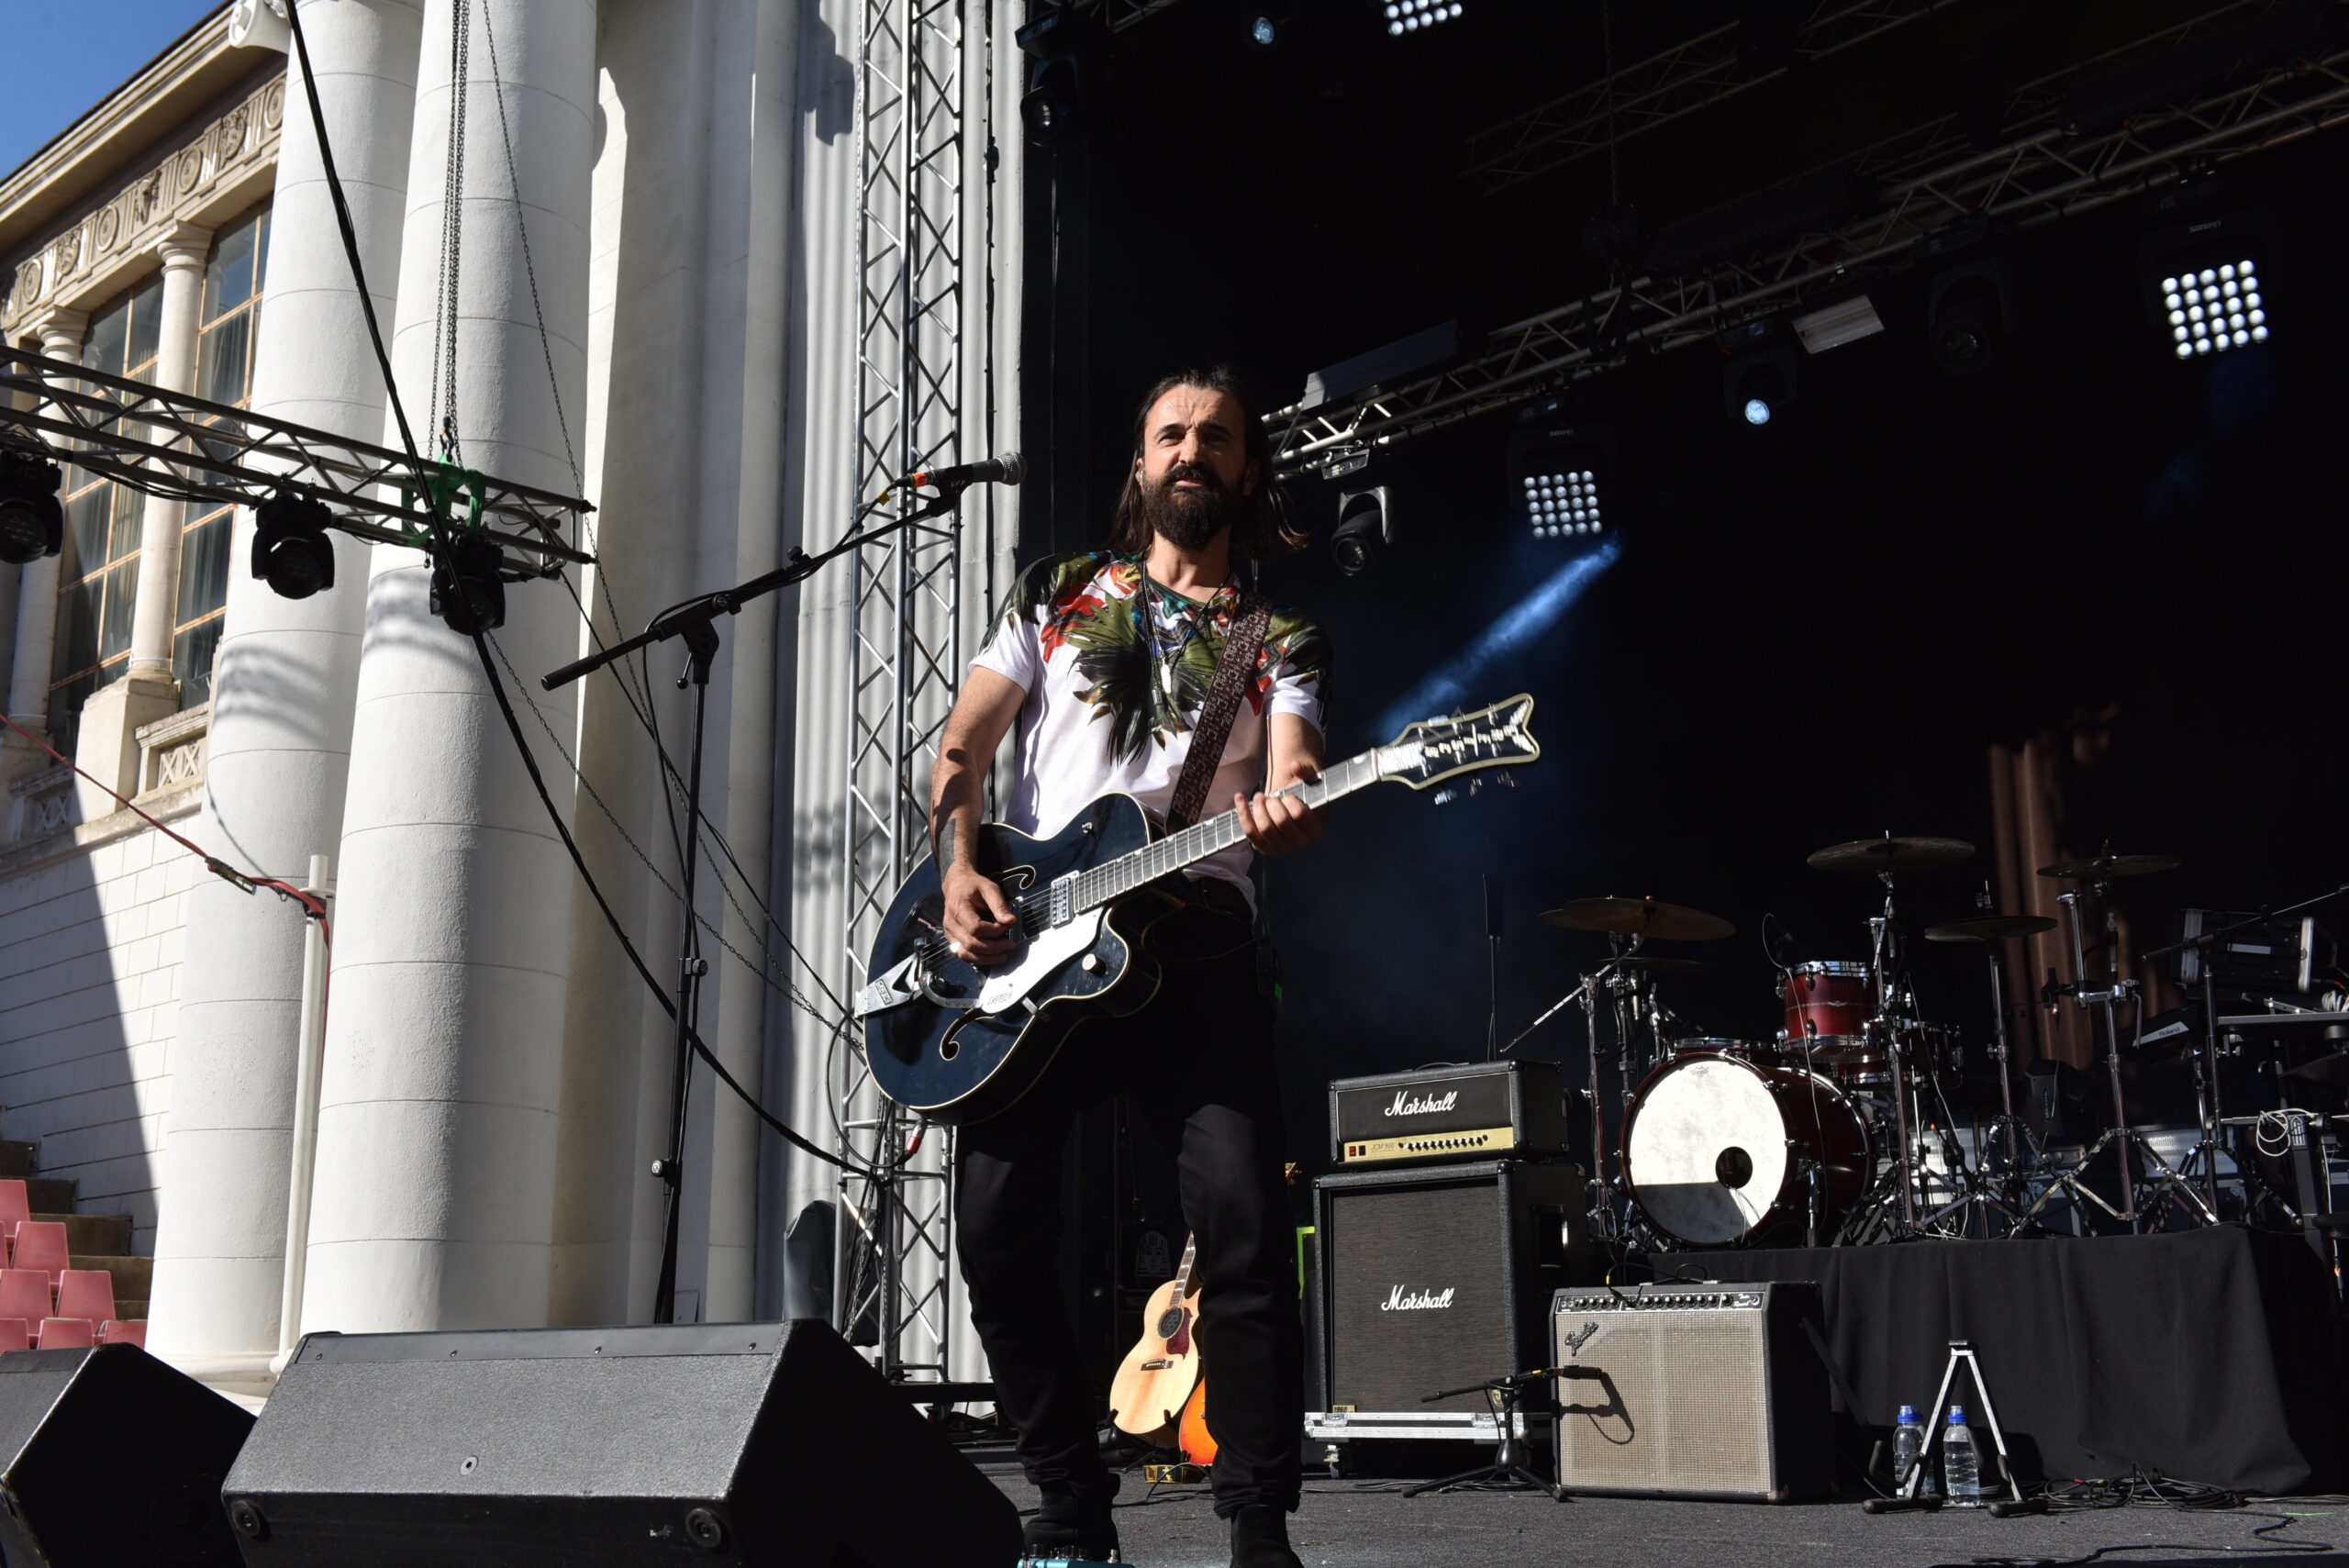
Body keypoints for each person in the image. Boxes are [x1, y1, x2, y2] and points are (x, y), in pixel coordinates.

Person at [929, 366, 1330, 1568]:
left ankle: (1257, 1522)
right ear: (1142, 461)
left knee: (1244, 1228)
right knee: (996, 1225)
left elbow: (1296, 763)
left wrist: (1291, 801)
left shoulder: (1277, 637)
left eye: (1218, 436)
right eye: (1173, 433)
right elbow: (963, 746)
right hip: (1042, 942)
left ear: (1247, 468)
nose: (1193, 450)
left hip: (1196, 945)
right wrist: (959, 867)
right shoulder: (1057, 594)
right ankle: (1067, 1498)